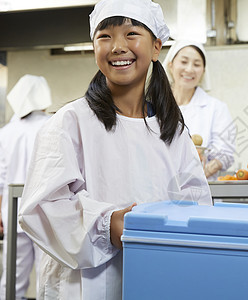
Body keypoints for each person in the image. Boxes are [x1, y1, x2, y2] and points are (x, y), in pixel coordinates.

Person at [18, 1, 212, 299]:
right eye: (104, 36)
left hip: (157, 278)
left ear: (157, 47)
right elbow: (42, 207)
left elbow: (197, 205)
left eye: (131, 33)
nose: (118, 46)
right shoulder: (71, 121)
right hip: (82, 285)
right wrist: (109, 225)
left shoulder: (172, 130)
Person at [0, 75, 52, 299]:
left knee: (12, 278)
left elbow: (1, 179)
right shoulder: (52, 126)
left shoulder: (6, 133)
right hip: (45, 214)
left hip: (12, 215)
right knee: (47, 277)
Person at [162, 40, 235, 180]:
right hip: (159, 190)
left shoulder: (216, 108)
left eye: (196, 64)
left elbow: (225, 153)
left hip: (200, 191)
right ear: (171, 65)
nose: (189, 69)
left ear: (203, 71)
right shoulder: (154, 106)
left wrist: (197, 176)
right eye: (183, 62)